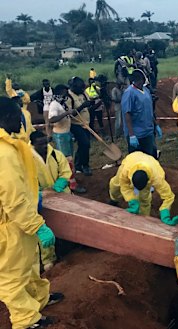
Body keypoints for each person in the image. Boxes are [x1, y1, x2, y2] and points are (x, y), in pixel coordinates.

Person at [0, 96, 62, 329]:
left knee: (28, 265)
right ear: (6, 119)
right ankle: (25, 320)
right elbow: (13, 200)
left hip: (19, 223)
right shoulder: (3, 154)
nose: (23, 119)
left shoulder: (12, 145)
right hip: (9, 225)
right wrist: (37, 225)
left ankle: (39, 298)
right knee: (11, 276)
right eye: (18, 115)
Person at [30, 130, 72, 271]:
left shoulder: (56, 154)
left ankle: (68, 247)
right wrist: (39, 192)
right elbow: (27, 180)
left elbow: (66, 171)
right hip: (41, 199)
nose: (44, 146)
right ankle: (48, 261)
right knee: (45, 230)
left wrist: (60, 183)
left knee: (68, 224)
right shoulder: (28, 160)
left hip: (62, 195)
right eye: (40, 144)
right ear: (33, 144)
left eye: (45, 143)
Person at [109, 151, 178, 226]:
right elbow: (124, 186)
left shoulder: (157, 178)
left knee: (144, 200)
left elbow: (169, 196)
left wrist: (165, 212)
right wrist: (132, 200)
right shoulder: (125, 170)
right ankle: (114, 199)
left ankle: (144, 221)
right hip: (132, 158)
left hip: (151, 163)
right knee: (115, 185)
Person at [122, 70, 162, 157]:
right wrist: (132, 135)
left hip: (148, 132)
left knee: (150, 157)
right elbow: (127, 114)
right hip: (137, 134)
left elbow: (149, 111)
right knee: (137, 159)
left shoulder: (146, 91)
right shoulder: (129, 93)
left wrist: (156, 125)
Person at [65, 77, 94, 176]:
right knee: (85, 144)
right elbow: (70, 113)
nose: (82, 90)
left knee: (83, 145)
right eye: (80, 88)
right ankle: (85, 166)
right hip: (76, 124)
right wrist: (82, 106)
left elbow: (89, 106)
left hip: (86, 123)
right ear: (73, 87)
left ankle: (78, 165)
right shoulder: (68, 97)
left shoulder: (83, 93)